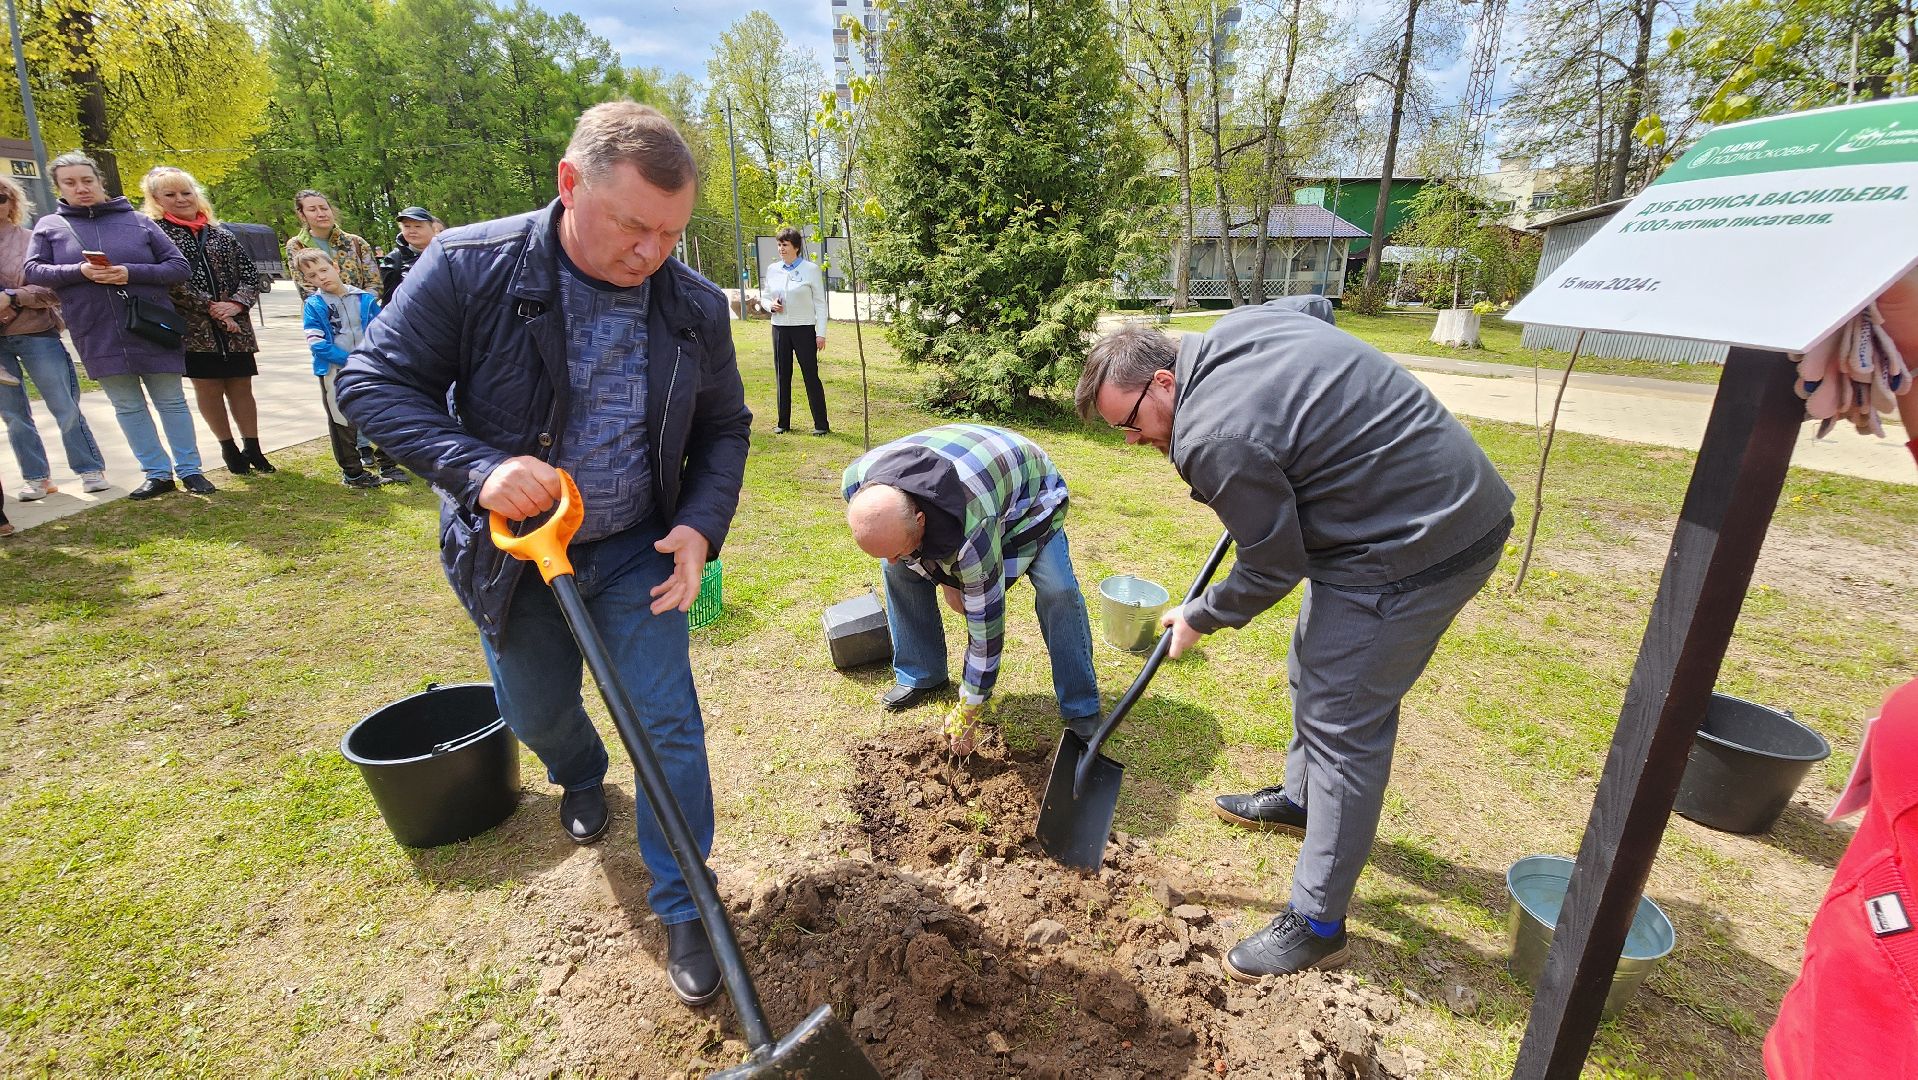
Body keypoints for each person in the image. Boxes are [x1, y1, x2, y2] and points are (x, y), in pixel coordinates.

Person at [336, 102, 752, 1008]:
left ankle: (684, 898)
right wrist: (476, 467)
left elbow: (725, 428)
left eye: (671, 233)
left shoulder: (687, 304)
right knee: (534, 708)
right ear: (570, 185)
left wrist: (700, 527)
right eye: (635, 226)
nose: (652, 253)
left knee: (667, 721)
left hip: (635, 549)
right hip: (513, 554)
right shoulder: (470, 266)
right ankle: (577, 770)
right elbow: (367, 382)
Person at [1075, 298, 1514, 977]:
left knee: (1343, 721)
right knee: (1314, 664)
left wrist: (1201, 614)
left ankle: (1315, 920)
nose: (1131, 442)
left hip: (1417, 539)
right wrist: (1303, 433)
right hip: (1386, 512)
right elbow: (1316, 309)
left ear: (1164, 381)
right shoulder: (1229, 333)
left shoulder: (1211, 437)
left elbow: (1274, 564)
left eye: (1130, 424)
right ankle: (1301, 801)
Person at [842, 423, 1099, 755]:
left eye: (898, 549)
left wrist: (969, 709)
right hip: (972, 466)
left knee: (1057, 590)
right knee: (899, 572)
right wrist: (945, 579)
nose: (893, 560)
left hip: (1028, 493)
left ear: (921, 520)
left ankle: (1081, 706)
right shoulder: (857, 481)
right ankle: (921, 673)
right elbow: (906, 554)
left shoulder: (972, 527)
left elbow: (985, 630)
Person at [26, 151, 212, 500]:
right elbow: (34, 271)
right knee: (127, 405)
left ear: (100, 182)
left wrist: (129, 272)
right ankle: (157, 474)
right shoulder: (50, 227)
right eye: (70, 183)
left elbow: (178, 266)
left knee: (171, 401)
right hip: (95, 330)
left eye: (87, 180)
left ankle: (191, 470)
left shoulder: (139, 221)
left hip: (150, 326)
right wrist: (79, 272)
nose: (81, 188)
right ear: (58, 189)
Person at [141, 166, 275, 477]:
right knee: (209, 387)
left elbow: (250, 274)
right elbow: (171, 281)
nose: (180, 199)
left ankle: (253, 447)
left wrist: (235, 304)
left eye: (186, 192)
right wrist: (210, 307)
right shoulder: (156, 235)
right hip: (194, 328)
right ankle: (228, 448)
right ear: (156, 199)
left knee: (242, 386)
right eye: (170, 194)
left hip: (235, 325)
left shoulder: (221, 233)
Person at [0, 172, 109, 499]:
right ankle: (36, 477)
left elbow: (53, 288)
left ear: (12, 202)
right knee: (13, 414)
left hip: (36, 332)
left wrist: (13, 297)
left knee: (63, 404)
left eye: (0, 197)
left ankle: (89, 468)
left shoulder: (32, 239)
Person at [294, 248, 404, 488]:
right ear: (307, 281)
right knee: (341, 421)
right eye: (312, 276)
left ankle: (389, 464)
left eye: (323, 269)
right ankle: (353, 473)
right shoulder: (314, 305)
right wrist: (349, 360)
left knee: (385, 414)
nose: (321, 277)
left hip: (372, 369)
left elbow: (382, 331)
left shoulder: (364, 299)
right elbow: (317, 343)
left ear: (335, 266)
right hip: (335, 372)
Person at [761, 226, 829, 435]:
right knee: (782, 375)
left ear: (796, 247)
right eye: (779, 245)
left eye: (785, 245)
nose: (781, 249)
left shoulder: (811, 270)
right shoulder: (773, 270)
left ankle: (821, 425)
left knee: (810, 375)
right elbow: (764, 297)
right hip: (780, 329)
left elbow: (820, 303)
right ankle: (783, 423)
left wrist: (821, 332)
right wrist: (770, 306)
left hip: (804, 329)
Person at [285, 189, 381, 300]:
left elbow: (375, 284)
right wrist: (334, 309)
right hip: (322, 314)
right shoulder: (296, 246)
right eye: (312, 210)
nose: (321, 214)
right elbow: (306, 289)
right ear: (302, 215)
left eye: (324, 208)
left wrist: (358, 305)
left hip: (362, 312)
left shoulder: (356, 243)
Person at [378, 206, 443, 300]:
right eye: (406, 226)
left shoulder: (448, 254)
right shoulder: (394, 260)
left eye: (418, 226)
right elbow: (388, 302)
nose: (412, 231)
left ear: (433, 228)